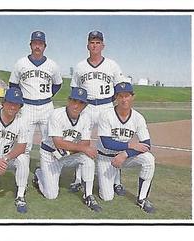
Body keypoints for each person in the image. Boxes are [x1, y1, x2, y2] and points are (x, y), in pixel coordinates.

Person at [70, 30, 128, 195]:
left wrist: (119, 107)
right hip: (87, 107)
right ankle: (78, 179)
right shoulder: (80, 66)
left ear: (103, 45)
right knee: (82, 141)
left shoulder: (112, 65)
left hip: (106, 106)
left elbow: (120, 88)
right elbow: (75, 90)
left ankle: (116, 181)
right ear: (87, 45)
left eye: (97, 42)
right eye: (92, 42)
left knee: (111, 142)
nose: (94, 45)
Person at [32, 87, 102, 212]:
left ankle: (88, 195)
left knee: (88, 157)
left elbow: (86, 142)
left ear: (85, 105)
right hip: (50, 154)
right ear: (68, 100)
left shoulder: (86, 118)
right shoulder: (56, 114)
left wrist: (73, 150)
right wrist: (81, 148)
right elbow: (58, 143)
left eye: (81, 103)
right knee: (51, 196)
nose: (76, 105)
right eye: (74, 101)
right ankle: (39, 174)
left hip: (70, 153)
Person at [9, 30, 63, 174]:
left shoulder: (52, 65)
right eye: (35, 43)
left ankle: (47, 175)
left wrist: (47, 94)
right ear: (30, 45)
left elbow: (57, 84)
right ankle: (22, 178)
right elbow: (13, 85)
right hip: (26, 106)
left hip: (46, 106)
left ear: (44, 46)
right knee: (25, 144)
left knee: (49, 142)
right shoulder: (21, 63)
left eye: (40, 44)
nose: (37, 46)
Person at [97, 82, 155, 213]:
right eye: (120, 96)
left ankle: (142, 198)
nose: (124, 99)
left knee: (148, 159)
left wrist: (125, 154)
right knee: (107, 197)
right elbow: (107, 143)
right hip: (106, 158)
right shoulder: (106, 115)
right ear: (116, 97)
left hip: (124, 157)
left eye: (127, 95)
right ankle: (113, 179)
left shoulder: (138, 118)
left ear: (132, 97)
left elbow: (146, 144)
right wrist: (130, 145)